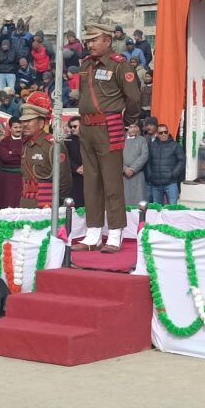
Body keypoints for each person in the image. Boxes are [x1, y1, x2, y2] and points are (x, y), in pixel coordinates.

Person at [73, 23, 141, 254]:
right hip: (87, 128)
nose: (89, 44)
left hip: (108, 126)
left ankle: (115, 232)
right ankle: (93, 233)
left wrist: (125, 121)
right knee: (91, 181)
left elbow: (133, 98)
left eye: (94, 40)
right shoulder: (85, 65)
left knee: (111, 181)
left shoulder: (119, 65)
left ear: (108, 40)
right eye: (88, 40)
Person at [19, 92, 71, 208]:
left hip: (45, 205)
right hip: (26, 203)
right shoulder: (25, 145)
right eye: (23, 121)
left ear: (41, 123)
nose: (25, 125)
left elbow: (64, 180)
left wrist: (57, 202)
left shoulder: (53, 145)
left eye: (29, 121)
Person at [147, 123, 183, 204]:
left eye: (165, 132)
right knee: (157, 210)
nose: (163, 134)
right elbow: (148, 162)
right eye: (161, 133)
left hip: (170, 183)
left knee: (172, 209)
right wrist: (150, 175)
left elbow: (181, 160)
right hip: (155, 183)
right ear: (157, 134)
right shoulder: (152, 146)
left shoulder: (175, 145)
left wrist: (174, 174)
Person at [0, 116, 23, 209]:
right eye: (15, 127)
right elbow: (5, 158)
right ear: (10, 128)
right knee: (6, 202)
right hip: (7, 177)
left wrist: (13, 152)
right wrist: (20, 154)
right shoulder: (4, 142)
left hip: (22, 176)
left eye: (20, 127)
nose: (18, 130)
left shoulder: (27, 141)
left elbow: (27, 157)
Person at [123, 122, 149, 205]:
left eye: (135, 127)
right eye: (131, 127)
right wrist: (124, 168)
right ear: (127, 128)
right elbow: (115, 157)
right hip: (123, 175)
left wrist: (133, 169)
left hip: (137, 174)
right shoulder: (120, 140)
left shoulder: (142, 140)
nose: (133, 129)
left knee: (138, 201)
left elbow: (144, 155)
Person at [65, 117, 85, 207]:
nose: (72, 129)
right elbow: (65, 157)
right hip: (75, 177)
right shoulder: (68, 141)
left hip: (90, 176)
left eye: (75, 126)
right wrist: (76, 168)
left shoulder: (90, 140)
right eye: (71, 126)